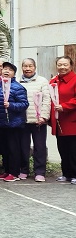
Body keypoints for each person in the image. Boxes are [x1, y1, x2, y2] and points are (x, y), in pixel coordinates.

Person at [0, 62, 29, 182]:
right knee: (5, 149)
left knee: (13, 150)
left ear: (14, 74)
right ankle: (7, 171)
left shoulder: (18, 87)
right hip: (1, 124)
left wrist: (11, 105)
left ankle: (14, 172)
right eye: (4, 69)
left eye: (10, 70)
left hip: (13, 124)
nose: (6, 71)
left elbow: (24, 104)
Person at [19, 58, 51, 182]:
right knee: (23, 147)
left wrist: (44, 116)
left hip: (39, 121)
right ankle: (24, 170)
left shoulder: (42, 81)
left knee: (39, 147)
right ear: (22, 67)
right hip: (23, 121)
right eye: (25, 66)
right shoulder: (18, 81)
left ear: (35, 67)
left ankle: (40, 172)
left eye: (30, 66)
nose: (28, 69)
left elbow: (47, 100)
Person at [51, 56, 76, 184]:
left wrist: (64, 106)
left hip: (72, 121)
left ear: (71, 66)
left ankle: (75, 174)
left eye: (65, 65)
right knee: (62, 149)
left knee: (73, 150)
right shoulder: (54, 81)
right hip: (58, 121)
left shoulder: (75, 80)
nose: (62, 67)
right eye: (60, 65)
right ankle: (66, 173)